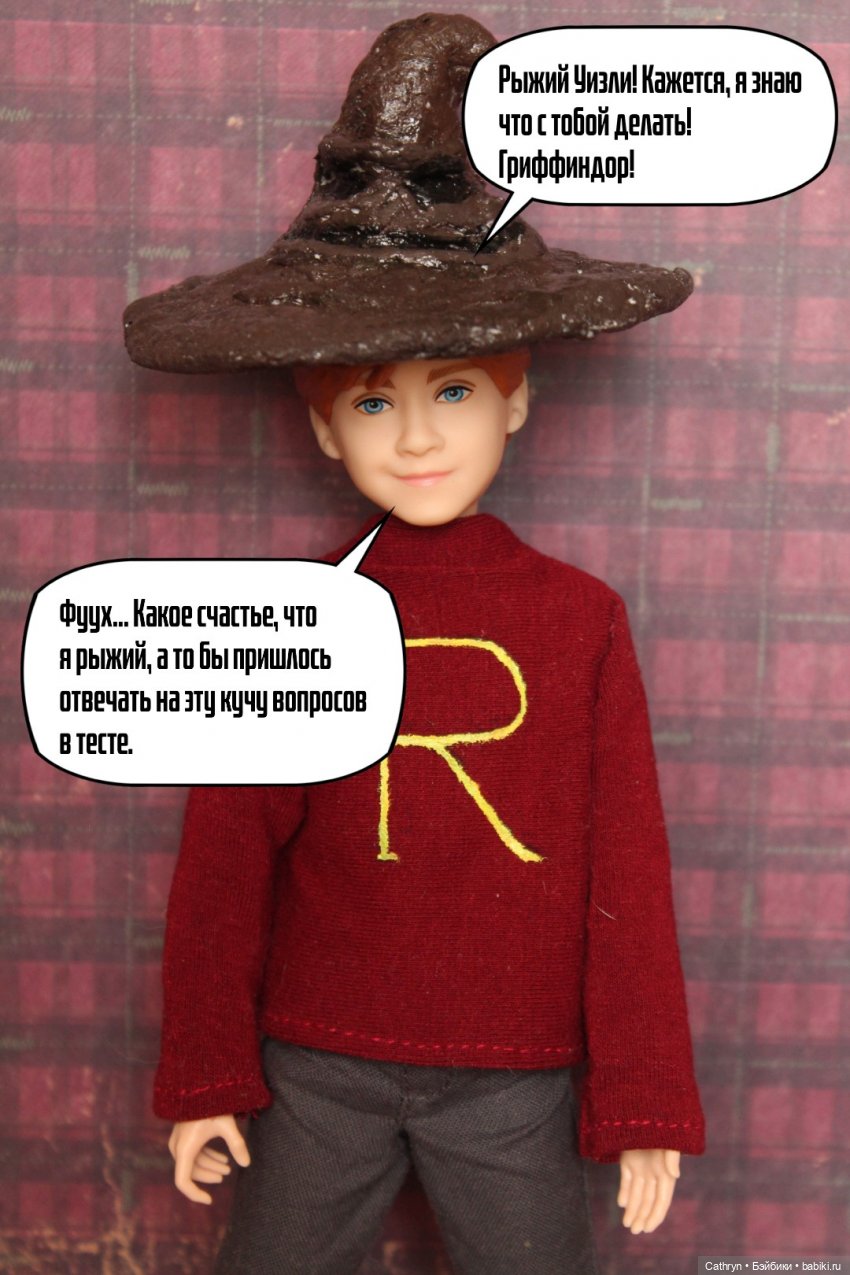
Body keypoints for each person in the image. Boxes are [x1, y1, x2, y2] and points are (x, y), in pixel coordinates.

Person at [123, 14, 705, 1273]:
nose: (418, 436)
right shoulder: (290, 619)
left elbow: (627, 867)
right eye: (373, 400)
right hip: (315, 1063)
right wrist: (207, 1074)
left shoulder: (578, 618)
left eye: (451, 389)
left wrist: (643, 1097)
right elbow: (225, 864)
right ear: (323, 428)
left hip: (516, 1077)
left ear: (515, 396)